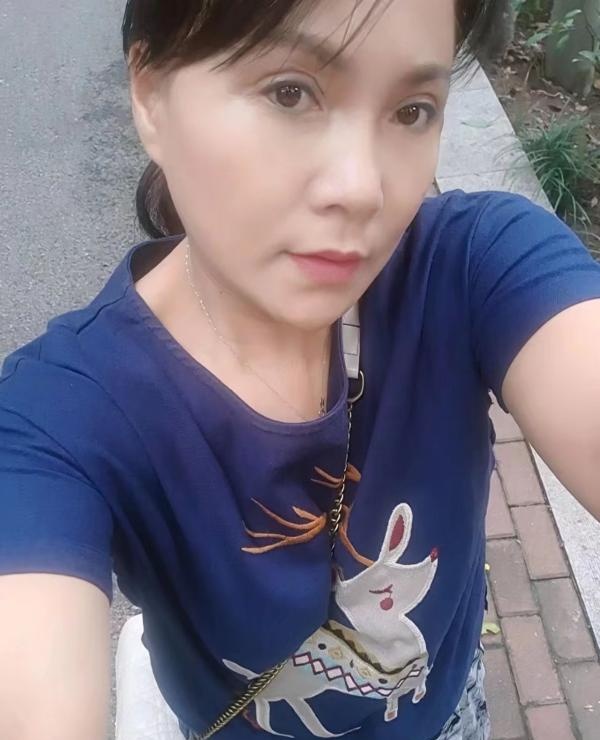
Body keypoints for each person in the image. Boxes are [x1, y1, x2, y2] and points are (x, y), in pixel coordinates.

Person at [1, 0, 599, 738]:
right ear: (151, 94)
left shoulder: (473, 268)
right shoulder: (58, 421)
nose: (362, 188)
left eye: (412, 111)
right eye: (290, 92)